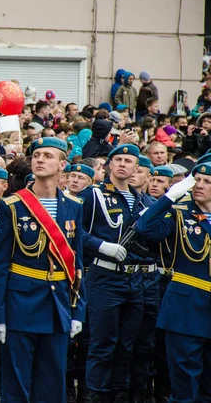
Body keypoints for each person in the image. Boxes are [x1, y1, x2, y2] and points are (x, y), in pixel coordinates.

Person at [0, 137, 85, 403]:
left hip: (57, 306)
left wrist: (79, 309)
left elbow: (76, 263)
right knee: (17, 385)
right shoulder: (12, 206)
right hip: (20, 303)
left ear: (62, 164)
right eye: (37, 155)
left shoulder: (74, 207)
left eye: (48, 156)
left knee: (53, 383)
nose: (40, 159)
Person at [135, 163, 211, 403]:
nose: (199, 185)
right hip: (186, 307)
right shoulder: (179, 212)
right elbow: (145, 228)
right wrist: (169, 197)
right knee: (184, 386)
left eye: (207, 182)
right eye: (197, 179)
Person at [79, 144, 145, 403]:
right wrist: (101, 246)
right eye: (118, 159)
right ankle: (97, 396)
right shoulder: (92, 195)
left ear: (136, 168)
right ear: (108, 164)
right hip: (104, 277)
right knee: (102, 346)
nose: (122, 164)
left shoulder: (141, 200)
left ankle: (119, 395)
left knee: (127, 347)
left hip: (134, 279)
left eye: (128, 161)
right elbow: (74, 232)